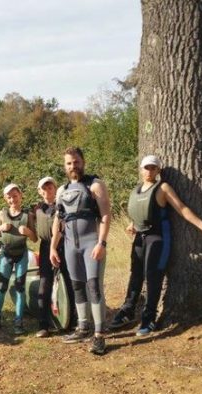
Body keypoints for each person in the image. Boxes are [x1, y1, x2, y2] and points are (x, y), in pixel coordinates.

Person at [109, 155, 202, 336]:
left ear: (158, 170)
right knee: (136, 275)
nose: (149, 171)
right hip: (140, 238)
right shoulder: (137, 190)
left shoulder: (163, 188)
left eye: (153, 168)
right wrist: (133, 224)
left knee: (153, 277)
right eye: (146, 167)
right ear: (141, 169)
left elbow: (181, 208)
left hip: (157, 239)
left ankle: (149, 318)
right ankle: (127, 311)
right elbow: (141, 211)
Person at [50, 147, 111, 355]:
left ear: (83, 162)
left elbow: (105, 215)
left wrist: (101, 243)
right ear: (64, 166)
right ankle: (83, 327)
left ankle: (99, 334)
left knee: (94, 286)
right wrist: (53, 247)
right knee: (77, 286)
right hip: (70, 246)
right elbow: (58, 220)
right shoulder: (62, 190)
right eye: (69, 163)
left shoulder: (95, 184)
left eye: (76, 162)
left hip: (91, 244)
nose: (73, 166)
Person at [0, 184, 38, 335]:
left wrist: (28, 231)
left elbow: (35, 239)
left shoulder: (28, 215)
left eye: (15, 196)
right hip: (6, 254)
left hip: (21, 254)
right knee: (1, 287)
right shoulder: (1, 214)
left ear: (20, 196)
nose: (12, 200)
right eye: (9, 197)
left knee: (20, 288)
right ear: (5, 199)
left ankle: (18, 322)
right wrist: (0, 229)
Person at [33, 177, 73, 338]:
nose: (47, 191)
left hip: (63, 246)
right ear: (39, 191)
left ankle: (72, 322)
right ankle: (43, 325)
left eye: (50, 187)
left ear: (55, 189)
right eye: (44, 188)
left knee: (69, 282)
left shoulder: (63, 206)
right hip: (45, 247)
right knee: (44, 284)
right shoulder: (36, 209)